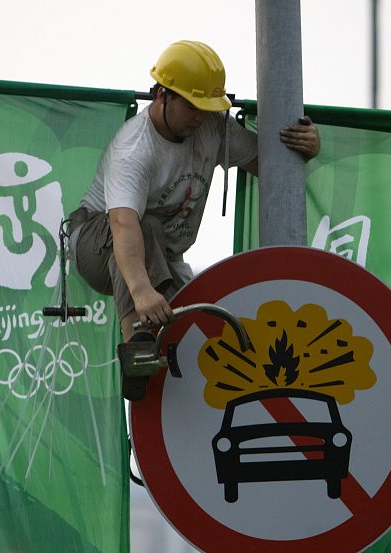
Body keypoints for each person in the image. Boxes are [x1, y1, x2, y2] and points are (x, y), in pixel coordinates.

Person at [68, 40, 320, 398]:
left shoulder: (211, 127)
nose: (200, 116)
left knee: (199, 323)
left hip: (161, 258)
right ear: (161, 96)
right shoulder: (133, 150)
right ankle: (138, 348)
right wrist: (141, 292)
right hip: (94, 240)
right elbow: (123, 224)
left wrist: (305, 148)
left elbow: (266, 164)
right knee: (147, 229)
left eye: (207, 106)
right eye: (192, 105)